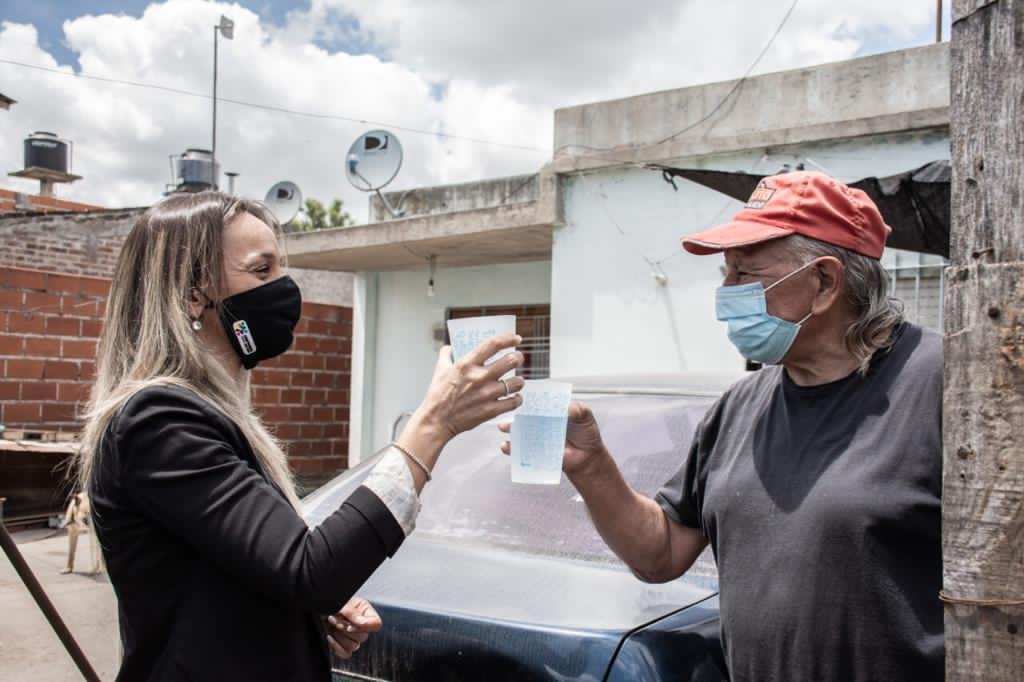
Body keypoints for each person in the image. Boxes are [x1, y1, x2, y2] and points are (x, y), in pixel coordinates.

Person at [502, 171, 943, 681]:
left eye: (745, 275)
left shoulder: (945, 384)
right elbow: (661, 554)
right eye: (724, 275)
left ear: (823, 282)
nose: (725, 296)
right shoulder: (739, 408)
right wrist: (593, 466)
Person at [77, 191, 525, 681]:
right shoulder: (159, 420)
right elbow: (310, 570)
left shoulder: (208, 415)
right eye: (261, 269)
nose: (284, 287)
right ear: (192, 294)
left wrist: (300, 616)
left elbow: (252, 569)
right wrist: (433, 424)